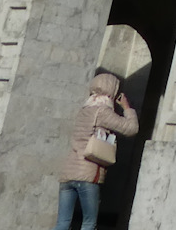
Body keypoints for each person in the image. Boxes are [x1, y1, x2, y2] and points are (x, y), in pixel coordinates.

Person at [52, 71, 138, 230]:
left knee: (62, 223)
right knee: (89, 223)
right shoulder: (102, 111)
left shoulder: (84, 109)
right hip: (88, 174)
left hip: (68, 173)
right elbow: (131, 128)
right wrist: (127, 108)